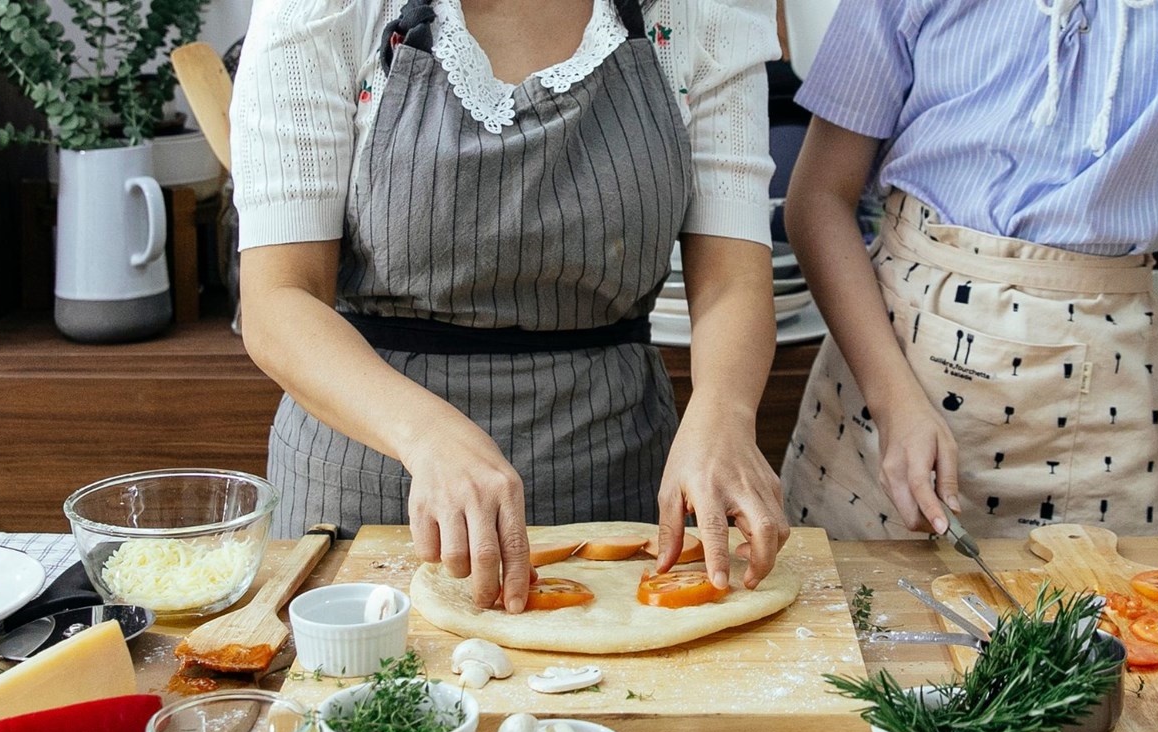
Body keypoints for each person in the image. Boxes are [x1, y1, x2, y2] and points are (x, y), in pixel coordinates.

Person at [231, 0, 789, 611]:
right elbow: (278, 297)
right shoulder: (328, 12)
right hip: (368, 496)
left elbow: (731, 279)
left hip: (613, 485)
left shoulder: (699, 15)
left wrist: (725, 412)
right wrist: (427, 435)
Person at [780, 0, 1158, 540]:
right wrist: (893, 404)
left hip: (1108, 392)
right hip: (887, 377)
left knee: (1119, 657)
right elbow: (818, 200)